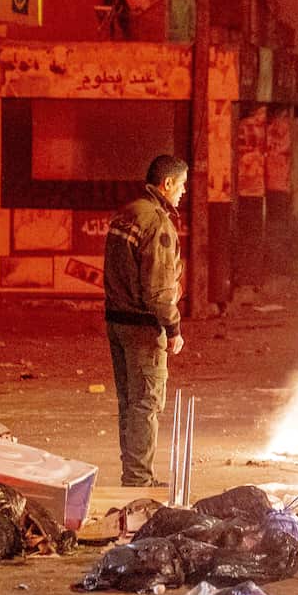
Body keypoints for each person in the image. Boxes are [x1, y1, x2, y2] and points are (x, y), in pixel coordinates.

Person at [103, 155, 187, 487]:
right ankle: (138, 480)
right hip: (141, 327)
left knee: (129, 402)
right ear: (166, 184)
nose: (182, 193)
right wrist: (174, 329)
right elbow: (159, 290)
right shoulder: (156, 222)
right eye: (181, 185)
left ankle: (134, 474)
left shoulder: (126, 213)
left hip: (117, 320)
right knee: (146, 403)